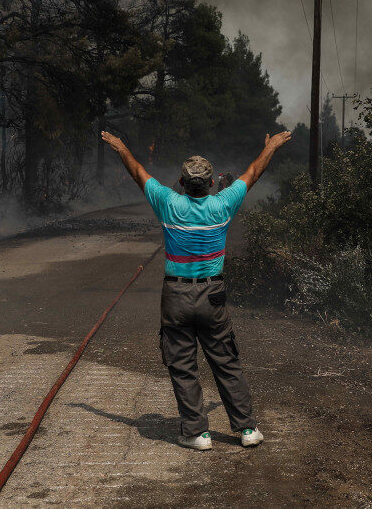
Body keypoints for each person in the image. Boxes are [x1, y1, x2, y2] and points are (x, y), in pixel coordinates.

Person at [100, 129, 293, 450]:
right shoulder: (224, 203)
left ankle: (197, 433)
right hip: (213, 295)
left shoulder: (168, 202)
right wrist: (271, 146)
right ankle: (246, 429)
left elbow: (137, 172)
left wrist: (120, 147)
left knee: (183, 365)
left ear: (181, 182)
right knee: (226, 362)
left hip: (175, 296)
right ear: (211, 183)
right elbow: (254, 172)